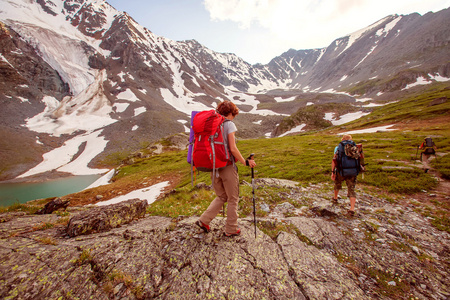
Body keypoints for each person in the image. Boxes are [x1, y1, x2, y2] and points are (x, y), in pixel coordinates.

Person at [196, 100, 256, 236]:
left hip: (214, 166)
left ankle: (204, 220)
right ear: (231, 112)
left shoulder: (213, 124)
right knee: (233, 198)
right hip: (227, 166)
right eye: (234, 113)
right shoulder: (229, 124)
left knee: (222, 196)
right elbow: (233, 148)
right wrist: (245, 162)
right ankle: (231, 229)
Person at [331, 134, 360, 216]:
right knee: (351, 189)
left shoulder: (338, 148)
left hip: (341, 171)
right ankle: (352, 208)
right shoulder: (355, 147)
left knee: (337, 184)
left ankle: (335, 198)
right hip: (353, 171)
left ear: (342, 139)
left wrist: (333, 172)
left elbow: (334, 160)